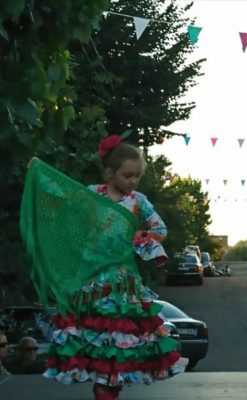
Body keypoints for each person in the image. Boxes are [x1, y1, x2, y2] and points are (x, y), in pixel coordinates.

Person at [21, 137, 184, 400]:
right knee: (95, 347)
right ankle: (103, 392)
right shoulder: (91, 194)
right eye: (127, 175)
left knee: (117, 351)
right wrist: (41, 173)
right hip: (92, 282)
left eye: (137, 176)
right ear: (110, 172)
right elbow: (63, 196)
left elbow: (160, 229)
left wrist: (144, 237)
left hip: (123, 285)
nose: (133, 181)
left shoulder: (138, 201)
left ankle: (107, 392)